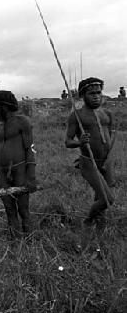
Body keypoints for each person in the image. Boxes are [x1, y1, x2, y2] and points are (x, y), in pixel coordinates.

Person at [65, 77, 115, 230]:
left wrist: (109, 157)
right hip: (88, 161)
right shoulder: (77, 116)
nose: (96, 96)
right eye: (91, 93)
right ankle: (88, 221)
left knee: (101, 196)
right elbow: (68, 141)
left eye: (99, 92)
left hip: (106, 161)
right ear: (82, 95)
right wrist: (80, 142)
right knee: (108, 199)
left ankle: (100, 226)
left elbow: (111, 136)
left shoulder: (106, 113)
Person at [0, 90, 37, 238]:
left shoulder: (22, 122)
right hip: (4, 173)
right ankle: (15, 241)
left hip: (20, 171)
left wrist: (31, 177)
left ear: (5, 107)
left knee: (23, 209)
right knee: (9, 210)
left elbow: (30, 150)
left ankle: (29, 240)